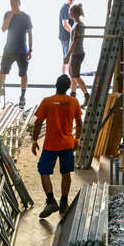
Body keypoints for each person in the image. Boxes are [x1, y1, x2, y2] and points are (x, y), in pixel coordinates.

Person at [31, 73, 83, 218]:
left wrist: (34, 140)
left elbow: (38, 122)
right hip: (67, 144)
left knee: (44, 171)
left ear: (56, 85)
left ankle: (51, 199)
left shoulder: (47, 102)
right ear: (68, 88)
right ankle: (64, 202)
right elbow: (79, 122)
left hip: (51, 145)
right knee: (66, 173)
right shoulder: (73, 102)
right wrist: (77, 138)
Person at [0, 0, 33, 107]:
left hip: (22, 50)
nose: (13, 6)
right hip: (8, 49)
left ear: (19, 3)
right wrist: (9, 18)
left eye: (15, 4)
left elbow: (30, 34)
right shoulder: (8, 14)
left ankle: (22, 96)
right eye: (11, 4)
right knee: (2, 71)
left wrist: (30, 49)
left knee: (23, 73)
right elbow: (3, 29)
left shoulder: (26, 17)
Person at [66, 2, 89, 105]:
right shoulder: (77, 24)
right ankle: (73, 95)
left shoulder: (78, 25)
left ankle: (86, 95)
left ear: (74, 12)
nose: (68, 12)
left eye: (70, 10)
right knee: (72, 75)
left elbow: (75, 41)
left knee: (75, 76)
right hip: (76, 53)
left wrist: (67, 55)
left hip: (77, 54)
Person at [58, 0, 75, 72]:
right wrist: (73, 32)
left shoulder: (67, 8)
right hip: (65, 37)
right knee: (67, 58)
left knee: (67, 58)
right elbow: (65, 24)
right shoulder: (65, 8)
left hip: (65, 36)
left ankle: (65, 77)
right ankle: (65, 77)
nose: (72, 1)